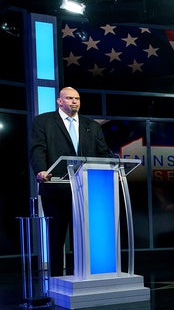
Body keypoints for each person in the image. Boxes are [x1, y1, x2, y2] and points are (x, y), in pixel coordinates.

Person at [29, 86, 111, 277]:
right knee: (57, 236)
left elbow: (103, 152)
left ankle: (82, 276)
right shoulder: (44, 121)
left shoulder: (92, 125)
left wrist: (113, 162)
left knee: (84, 236)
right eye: (70, 98)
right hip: (56, 188)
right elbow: (37, 149)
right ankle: (56, 279)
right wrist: (41, 170)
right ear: (60, 101)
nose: (75, 101)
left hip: (87, 189)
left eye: (77, 98)